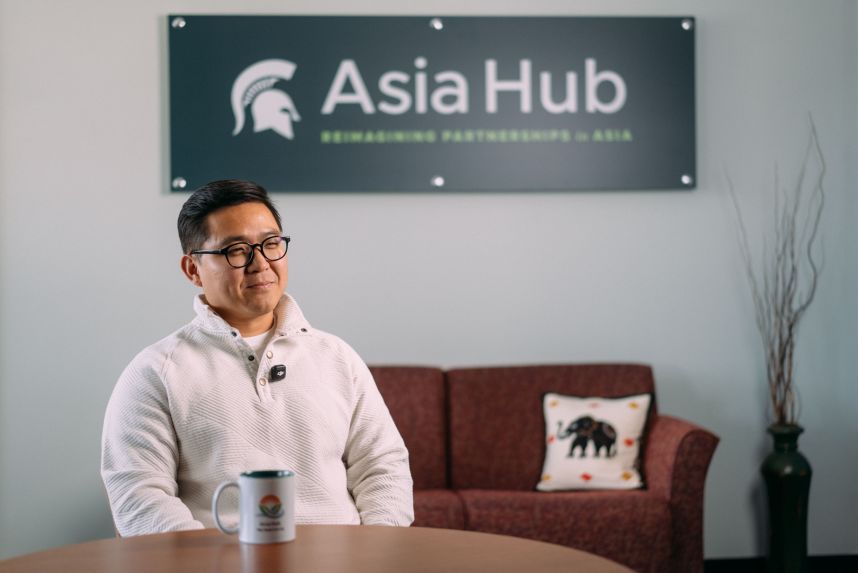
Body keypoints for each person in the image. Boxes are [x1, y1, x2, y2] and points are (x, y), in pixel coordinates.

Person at [101, 179, 413, 536]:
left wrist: (374, 550)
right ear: (193, 270)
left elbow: (383, 466)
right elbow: (138, 496)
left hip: (343, 558)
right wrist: (201, 561)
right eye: (236, 250)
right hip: (215, 562)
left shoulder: (337, 357)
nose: (260, 263)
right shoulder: (155, 372)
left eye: (271, 243)